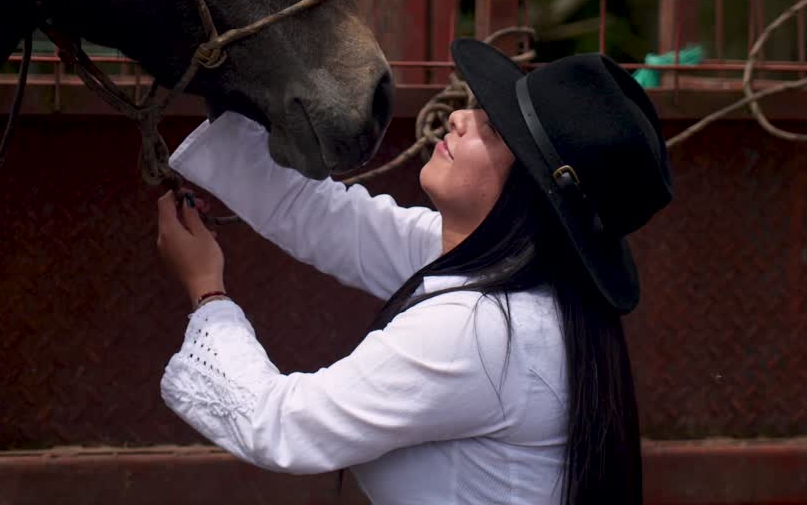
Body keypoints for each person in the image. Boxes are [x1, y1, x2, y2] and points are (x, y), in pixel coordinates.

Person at [155, 38, 673, 504]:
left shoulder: (478, 329)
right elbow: (335, 223)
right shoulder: (519, 272)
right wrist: (219, 87)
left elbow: (282, 425)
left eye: (491, 130)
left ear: (532, 197)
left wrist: (207, 292)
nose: (459, 118)